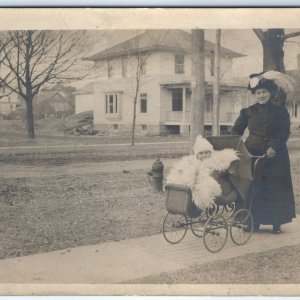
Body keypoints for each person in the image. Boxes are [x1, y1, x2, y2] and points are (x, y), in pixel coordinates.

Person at [231, 71, 296, 234]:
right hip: (252, 153)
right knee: (253, 186)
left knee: (274, 187)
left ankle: (276, 222)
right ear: (254, 95)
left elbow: (284, 131)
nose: (261, 95)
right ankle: (251, 221)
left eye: (264, 92)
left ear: (270, 93)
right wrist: (232, 144)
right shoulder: (247, 111)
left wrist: (274, 147)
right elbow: (236, 131)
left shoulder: (280, 111)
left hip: (276, 155)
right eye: (258, 93)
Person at [166, 135, 239, 210]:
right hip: (197, 183)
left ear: (211, 152)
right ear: (197, 155)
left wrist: (210, 172)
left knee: (209, 190)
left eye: (206, 152)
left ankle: (235, 195)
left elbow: (218, 169)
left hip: (214, 185)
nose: (204, 155)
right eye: (201, 153)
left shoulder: (213, 162)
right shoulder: (194, 162)